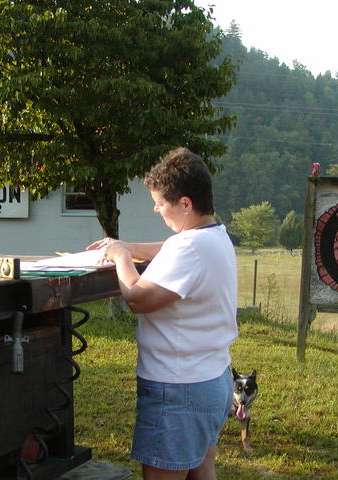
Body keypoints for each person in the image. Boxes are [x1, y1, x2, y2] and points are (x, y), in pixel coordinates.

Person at [87, 147, 238, 480]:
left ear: (185, 204)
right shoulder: (213, 235)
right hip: (212, 378)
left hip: (178, 387)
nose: (156, 209)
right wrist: (119, 244)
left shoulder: (191, 248)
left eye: (160, 203)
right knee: (202, 470)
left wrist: (121, 259)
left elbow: (137, 299)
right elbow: (165, 248)